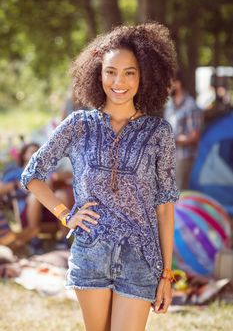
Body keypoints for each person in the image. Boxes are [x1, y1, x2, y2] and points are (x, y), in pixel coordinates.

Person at [21, 22, 180, 331]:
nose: (119, 81)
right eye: (110, 72)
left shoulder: (159, 133)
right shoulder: (79, 124)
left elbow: (164, 207)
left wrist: (167, 275)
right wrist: (66, 215)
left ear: (144, 75)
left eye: (129, 72)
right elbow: (33, 174)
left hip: (141, 258)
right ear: (99, 73)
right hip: (90, 253)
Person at [164, 71, 203, 191]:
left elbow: (194, 137)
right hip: (170, 158)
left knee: (180, 194)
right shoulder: (170, 105)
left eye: (169, 84)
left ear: (178, 84)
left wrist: (173, 139)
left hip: (184, 158)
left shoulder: (190, 106)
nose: (167, 88)